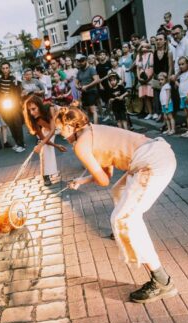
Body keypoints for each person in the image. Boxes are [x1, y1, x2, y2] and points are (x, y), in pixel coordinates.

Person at [55, 107, 178, 303]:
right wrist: (81, 181)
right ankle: (123, 233)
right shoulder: (93, 129)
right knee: (118, 192)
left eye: (60, 129)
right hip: (155, 154)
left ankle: (162, 281)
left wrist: (86, 179)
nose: (59, 133)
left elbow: (102, 180)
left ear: (70, 126)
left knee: (123, 218)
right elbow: (108, 176)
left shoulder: (81, 146)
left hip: (152, 163)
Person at [23, 95, 67, 186]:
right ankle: (46, 175)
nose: (31, 112)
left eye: (33, 109)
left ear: (39, 106)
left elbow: (52, 129)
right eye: (29, 110)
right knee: (45, 147)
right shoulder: (35, 120)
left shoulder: (50, 108)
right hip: (49, 127)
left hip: (64, 122)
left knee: (79, 139)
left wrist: (40, 144)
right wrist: (56, 146)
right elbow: (43, 138)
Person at [0, 62, 25, 152]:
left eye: (7, 68)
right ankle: (17, 142)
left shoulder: (14, 79)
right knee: (11, 125)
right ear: (1, 69)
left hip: (14, 105)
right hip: (5, 106)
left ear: (9, 69)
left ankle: (21, 144)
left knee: (17, 125)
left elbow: (19, 90)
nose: (5, 70)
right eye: (3, 68)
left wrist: (17, 84)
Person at [75, 54, 100, 123]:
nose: (80, 63)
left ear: (85, 60)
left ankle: (96, 127)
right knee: (86, 110)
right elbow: (76, 83)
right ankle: (90, 126)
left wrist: (87, 86)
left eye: (81, 61)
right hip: (84, 92)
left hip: (92, 91)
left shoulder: (91, 69)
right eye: (79, 61)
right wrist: (78, 87)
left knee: (93, 110)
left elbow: (97, 80)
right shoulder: (79, 71)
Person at [135, 42, 155, 119]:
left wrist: (150, 77)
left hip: (150, 76)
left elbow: (153, 67)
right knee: (145, 96)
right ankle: (150, 113)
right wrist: (138, 77)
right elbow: (137, 68)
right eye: (141, 47)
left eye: (145, 46)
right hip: (142, 77)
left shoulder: (151, 55)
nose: (143, 48)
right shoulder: (138, 56)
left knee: (152, 95)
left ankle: (155, 112)